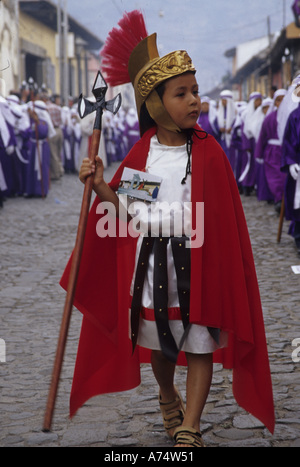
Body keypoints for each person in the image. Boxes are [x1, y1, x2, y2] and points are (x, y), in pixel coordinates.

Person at [60, 10, 274, 447]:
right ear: (156, 104)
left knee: (199, 342)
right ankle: (165, 392)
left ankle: (190, 425)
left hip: (200, 263)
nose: (195, 100)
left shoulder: (211, 153)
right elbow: (128, 215)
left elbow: (223, 223)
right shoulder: (144, 155)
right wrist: (101, 185)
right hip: (152, 263)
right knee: (160, 345)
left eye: (196, 91)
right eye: (182, 93)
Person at [254, 90, 287, 213]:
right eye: (278, 100)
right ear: (275, 102)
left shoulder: (292, 115)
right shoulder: (269, 118)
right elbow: (262, 136)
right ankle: (278, 200)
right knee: (275, 179)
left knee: (286, 178)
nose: (281, 102)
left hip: (288, 151)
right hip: (273, 153)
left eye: (284, 99)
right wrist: (259, 153)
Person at [216, 90, 236, 157]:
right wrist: (219, 128)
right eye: (222, 100)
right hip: (222, 138)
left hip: (232, 139)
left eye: (225, 100)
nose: (223, 102)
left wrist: (231, 128)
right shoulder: (219, 112)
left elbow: (237, 122)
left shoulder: (235, 112)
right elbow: (216, 123)